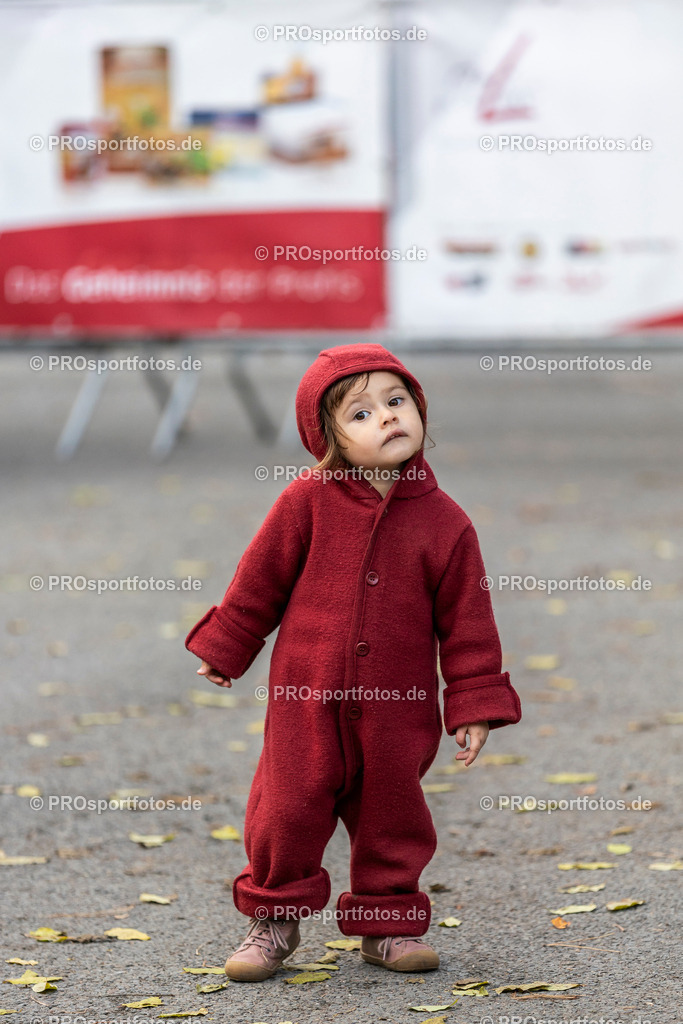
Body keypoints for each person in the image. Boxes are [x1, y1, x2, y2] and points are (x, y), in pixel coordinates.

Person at [185, 343, 521, 982]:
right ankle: (274, 920)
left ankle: (387, 926)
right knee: (285, 808)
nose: (387, 418)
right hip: (303, 701)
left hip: (400, 712)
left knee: (393, 815)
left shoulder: (446, 524)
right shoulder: (306, 501)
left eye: (397, 402)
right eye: (362, 414)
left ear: (419, 409)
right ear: (331, 440)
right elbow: (259, 582)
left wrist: (474, 704)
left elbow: (469, 625)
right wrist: (227, 646)